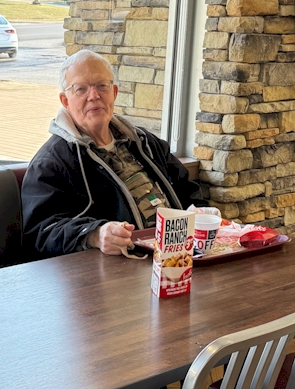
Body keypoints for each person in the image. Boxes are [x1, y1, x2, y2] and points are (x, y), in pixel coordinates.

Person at [22, 49, 206, 257]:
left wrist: (202, 213)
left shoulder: (146, 143)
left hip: (180, 254)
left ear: (114, 93)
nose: (94, 96)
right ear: (65, 101)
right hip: (120, 267)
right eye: (81, 89)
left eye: (102, 86)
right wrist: (95, 235)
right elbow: (41, 232)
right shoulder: (51, 163)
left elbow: (188, 192)